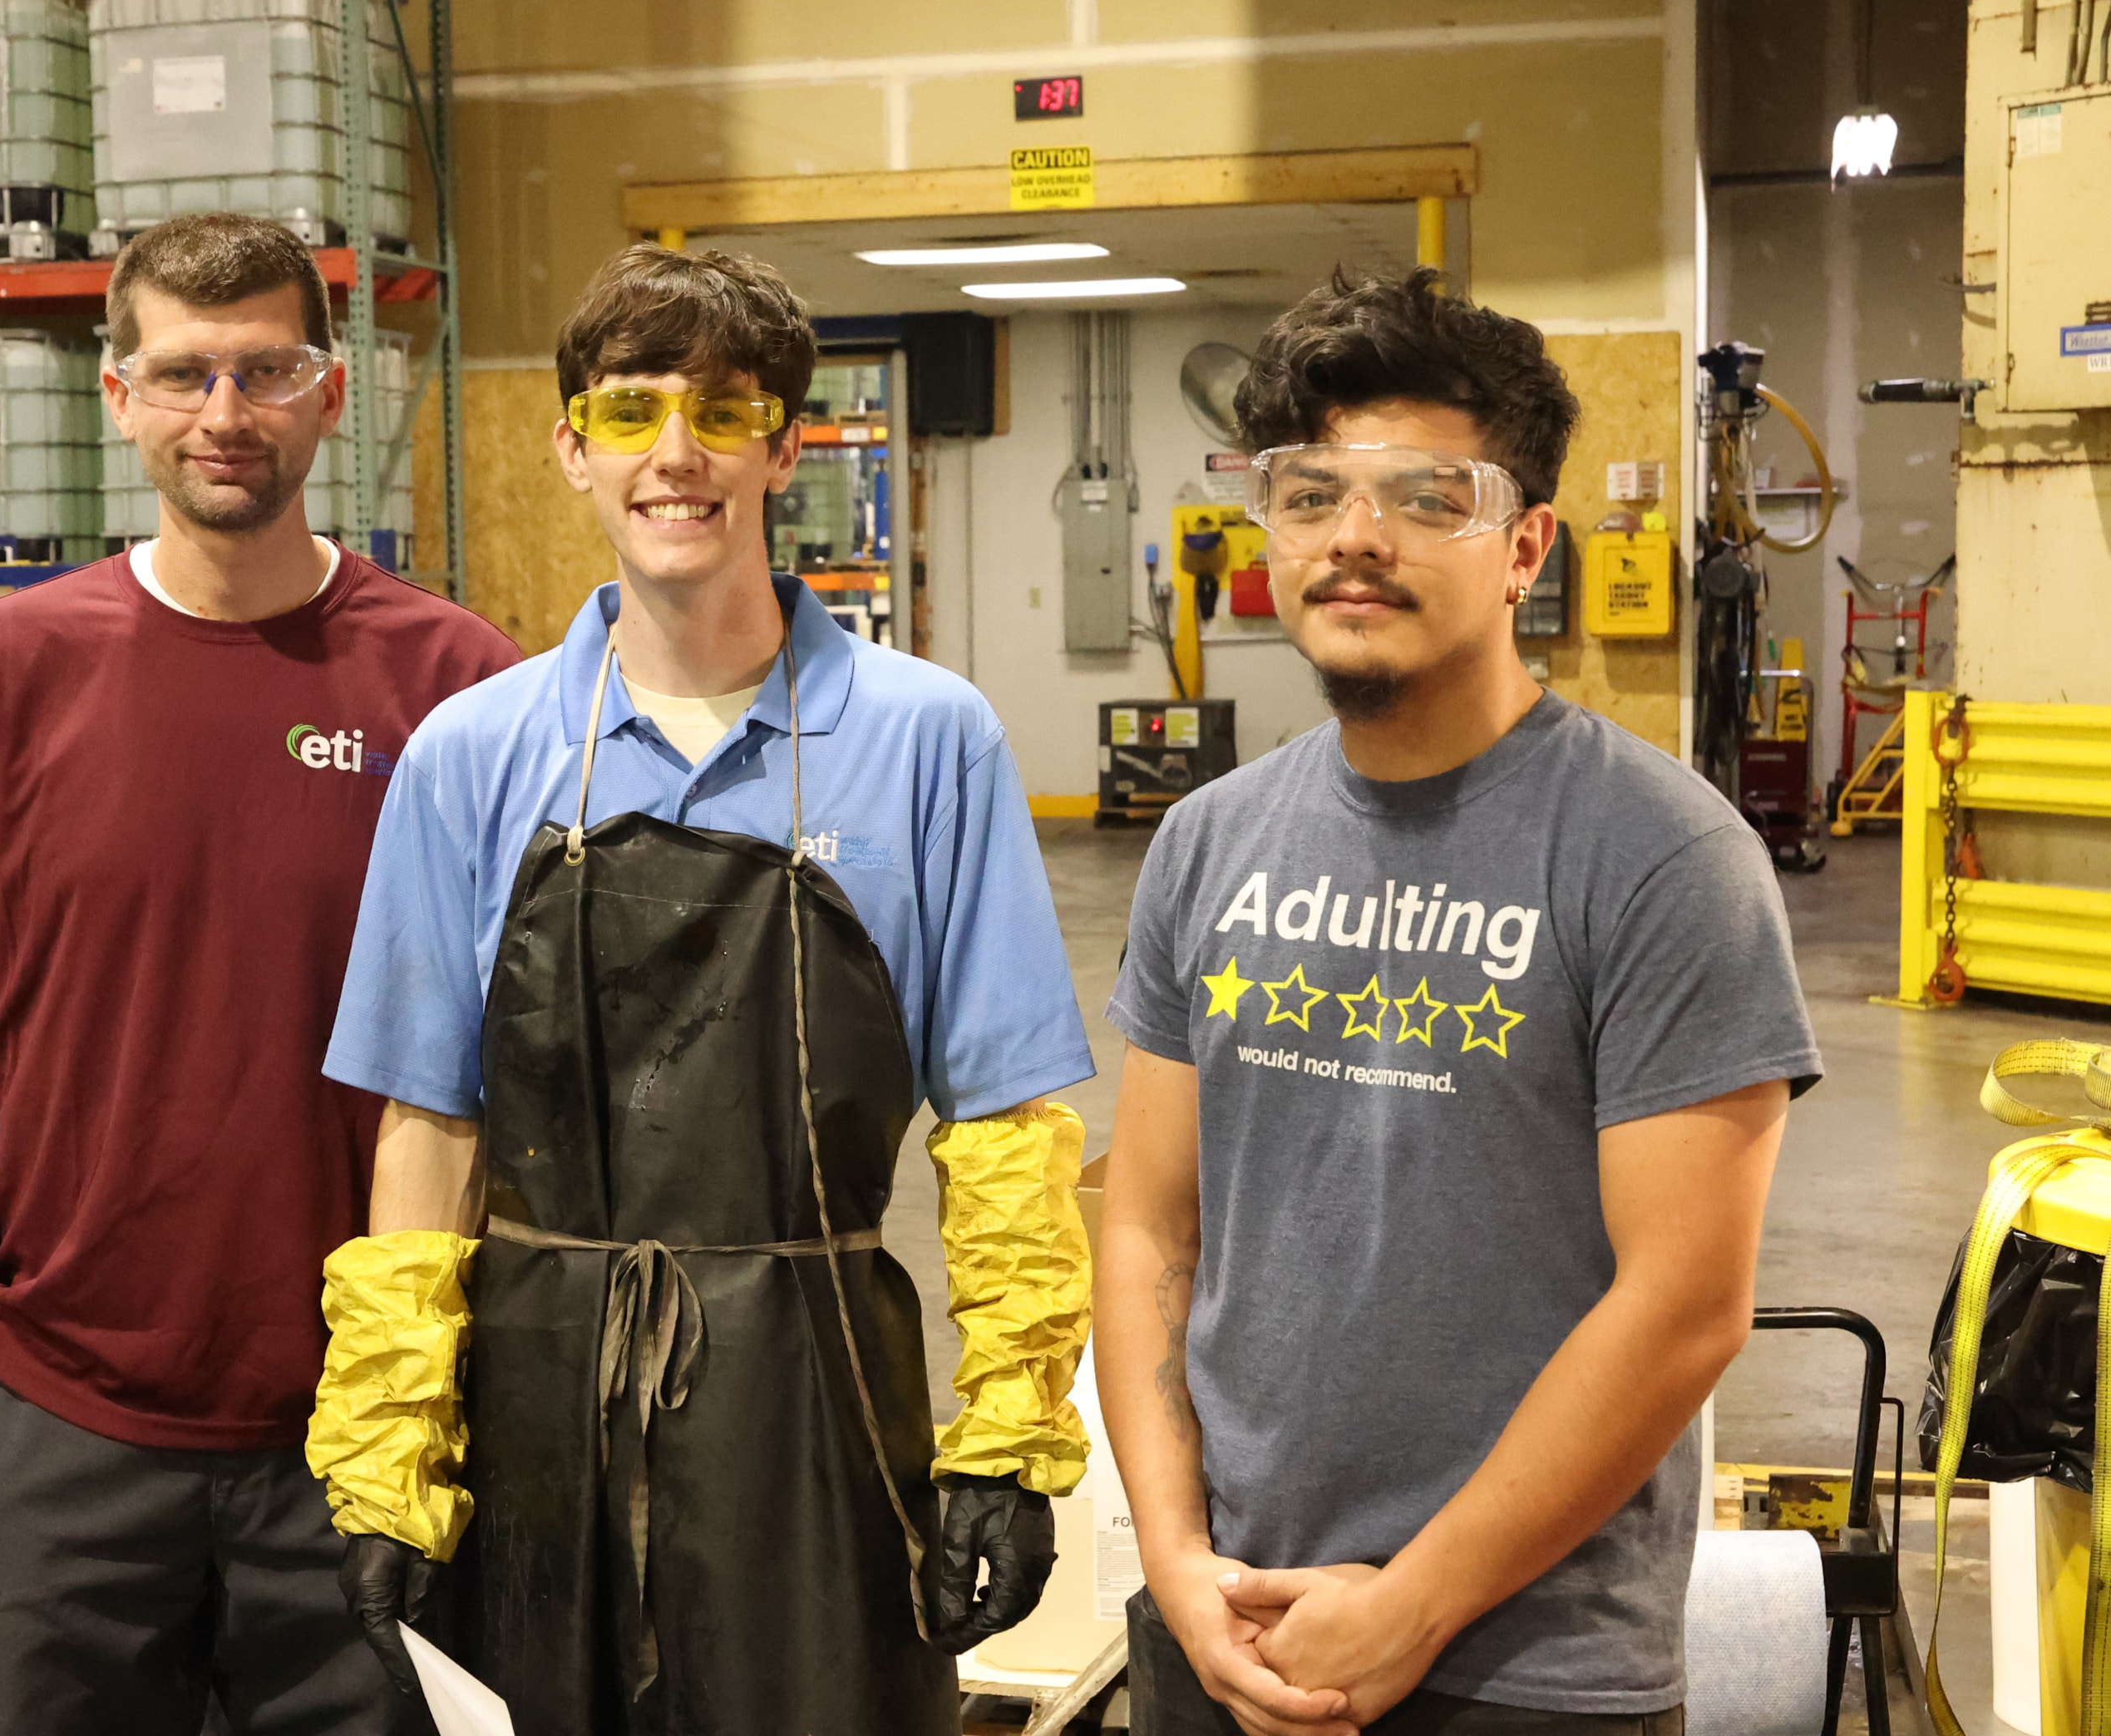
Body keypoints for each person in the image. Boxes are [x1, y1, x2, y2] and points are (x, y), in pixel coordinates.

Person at [301, 243, 1099, 1736]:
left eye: (725, 413)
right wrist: (390, 1445)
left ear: (787, 445)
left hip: (820, 1407)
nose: (678, 456)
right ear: (574, 451)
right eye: (631, 412)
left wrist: (1004, 1436)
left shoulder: (929, 740)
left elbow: (1000, 1125)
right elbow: (432, 1129)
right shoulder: (471, 757)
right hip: (534, 1401)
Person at [1092, 268, 1823, 1736]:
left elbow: (1685, 1306)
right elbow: (1148, 1224)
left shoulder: (1664, 855)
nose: (1357, 537)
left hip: (1522, 1668)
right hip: (1225, 1629)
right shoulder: (1209, 838)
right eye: (1312, 494)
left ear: (1524, 547)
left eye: (1430, 495)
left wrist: (1411, 1604)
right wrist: (1173, 1561)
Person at [0, 211, 521, 1735]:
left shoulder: (456, 687)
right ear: (120, 394)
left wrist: (430, 1394)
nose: (228, 415)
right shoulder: (6, 671)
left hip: (361, 1434)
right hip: (62, 1432)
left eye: (268, 370)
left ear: (330, 394)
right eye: (187, 373)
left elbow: (509, 1069)